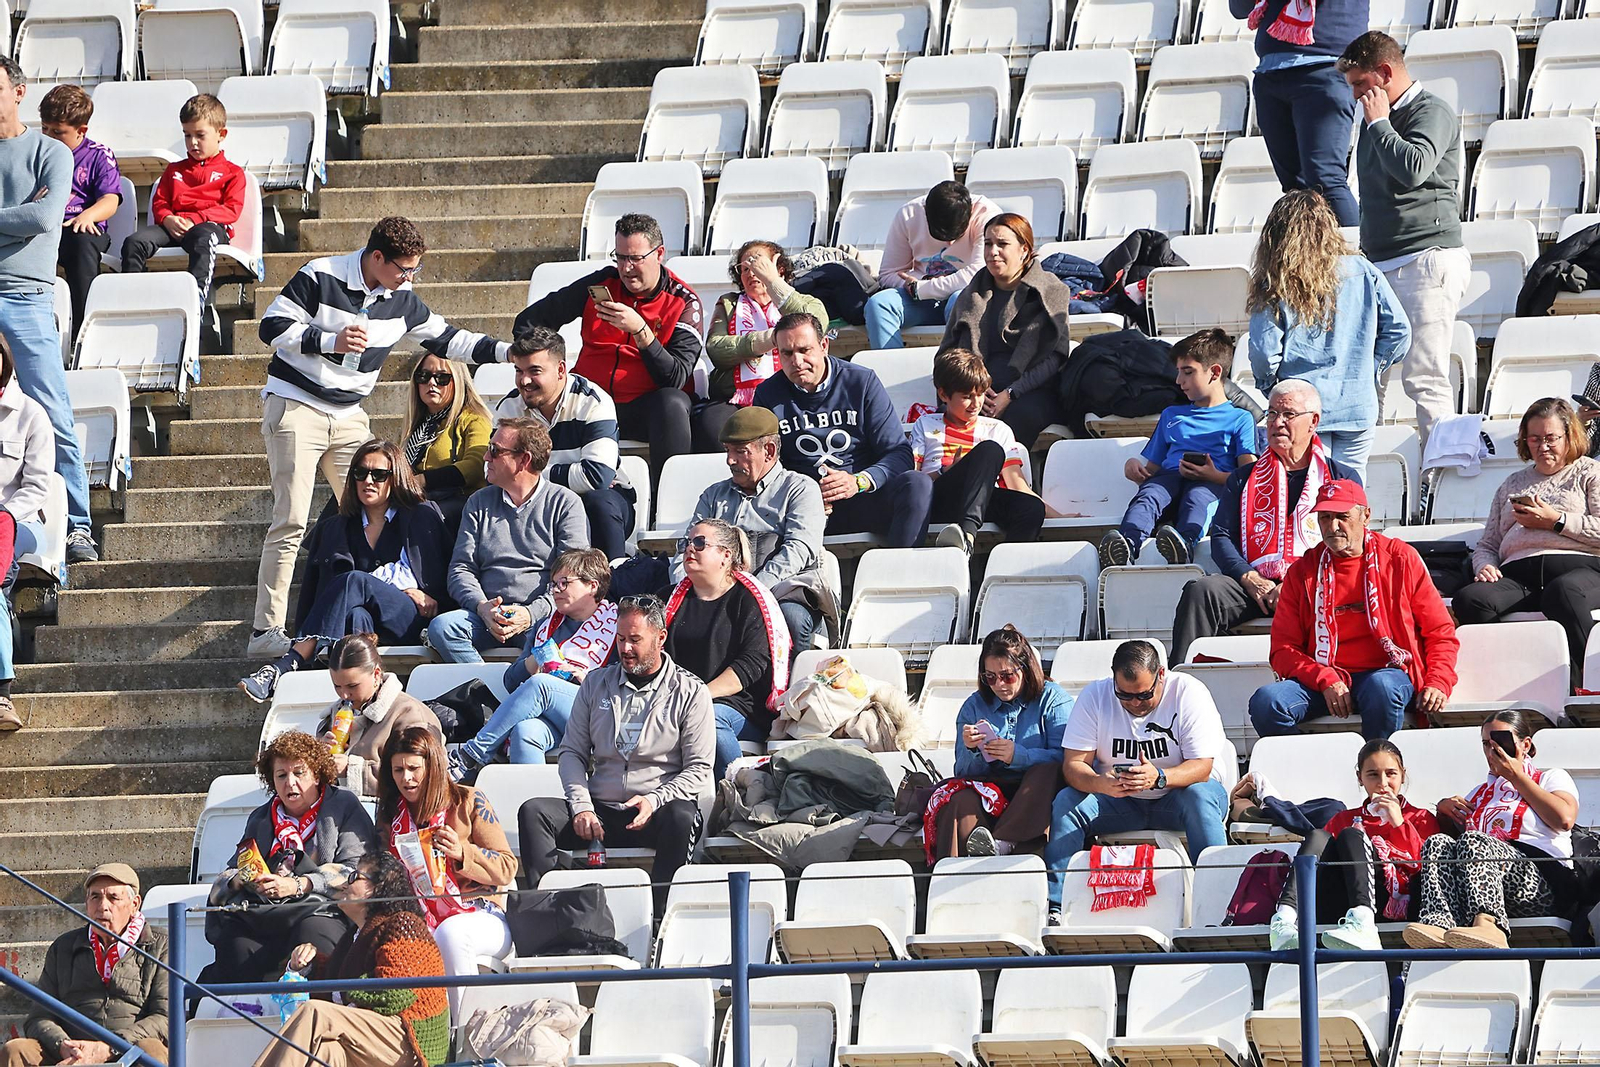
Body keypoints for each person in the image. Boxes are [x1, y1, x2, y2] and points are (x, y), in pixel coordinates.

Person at [251, 216, 509, 657]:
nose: (408, 279)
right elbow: (270, 327)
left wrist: (507, 352)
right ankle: (266, 631)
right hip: (297, 403)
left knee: (390, 504)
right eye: (403, 269)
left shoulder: (402, 299)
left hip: (350, 412)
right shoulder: (321, 273)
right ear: (375, 257)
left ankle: (380, 602)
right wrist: (327, 338)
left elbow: (450, 340)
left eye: (414, 271)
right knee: (293, 519)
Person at [517, 594, 714, 907]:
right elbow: (571, 753)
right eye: (620, 638)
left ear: (660, 638)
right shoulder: (596, 683)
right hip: (600, 809)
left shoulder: (690, 691)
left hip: (654, 809)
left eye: (635, 639)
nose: (625, 648)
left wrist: (654, 800)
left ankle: (662, 916)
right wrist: (582, 805)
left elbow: (699, 769)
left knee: (683, 815)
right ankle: (550, 911)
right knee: (534, 811)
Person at [238, 440, 450, 702]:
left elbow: (439, 579)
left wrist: (412, 591)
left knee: (354, 581)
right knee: (356, 612)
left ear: (395, 478)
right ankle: (360, 703)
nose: (368, 481)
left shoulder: (421, 516)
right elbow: (318, 592)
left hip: (410, 618)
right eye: (360, 473)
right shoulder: (336, 528)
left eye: (379, 475)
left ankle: (287, 664)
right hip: (361, 623)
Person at [1340, 31, 1470, 452]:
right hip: (1381, 264)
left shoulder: (1431, 111)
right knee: (1366, 378)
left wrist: (1379, 123)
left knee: (1425, 376)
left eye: (1361, 84)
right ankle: (1362, 488)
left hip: (1425, 258)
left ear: (1384, 72)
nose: (1357, 95)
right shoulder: (1372, 120)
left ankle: (1443, 481)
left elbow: (1413, 168)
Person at [1250, 479, 1458, 740]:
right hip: (1324, 681)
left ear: (1366, 516)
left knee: (1381, 687)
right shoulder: (1302, 571)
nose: (1333, 526)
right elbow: (1282, 650)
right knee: (1267, 702)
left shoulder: (1400, 558)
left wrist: (1438, 681)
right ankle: (1310, 771)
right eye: (1324, 517)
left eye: (1342, 517)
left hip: (1388, 676)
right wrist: (1324, 678)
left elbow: (1439, 632)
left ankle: (1376, 773)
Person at [1171, 379, 1357, 662]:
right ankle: (1181, 684)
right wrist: (1249, 578)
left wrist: (1296, 583)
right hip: (1255, 585)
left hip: (1315, 585)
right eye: (1271, 414)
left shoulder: (1341, 478)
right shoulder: (1244, 477)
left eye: (1288, 415)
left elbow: (1349, 544)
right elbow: (1221, 536)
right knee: (1201, 591)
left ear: (1313, 422)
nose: (1277, 422)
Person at [1044, 640, 1230, 922]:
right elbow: (1073, 765)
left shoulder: (1188, 692)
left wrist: (1160, 778)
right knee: (1067, 802)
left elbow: (1202, 768)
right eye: (1124, 695)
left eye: (1144, 695)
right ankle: (1056, 908)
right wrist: (1098, 782)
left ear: (1161, 676)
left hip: (1178, 796)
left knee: (1199, 796)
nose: (1135, 703)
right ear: (1113, 679)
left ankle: (1219, 903)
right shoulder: (1095, 695)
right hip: (1118, 800)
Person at [513, 213, 703, 487]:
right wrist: (546, 360)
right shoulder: (602, 283)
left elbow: (674, 377)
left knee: (672, 403)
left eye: (635, 258)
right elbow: (528, 321)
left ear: (659, 254)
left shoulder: (684, 302)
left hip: (643, 409)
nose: (626, 268)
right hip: (588, 402)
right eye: (620, 257)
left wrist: (641, 331)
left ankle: (668, 497)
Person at [0, 57, 96, 564]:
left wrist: (28, 215)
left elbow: (44, 215)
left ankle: (78, 523)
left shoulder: (50, 152)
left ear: (19, 91)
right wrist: (16, 218)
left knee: (52, 412)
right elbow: (28, 216)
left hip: (26, 296)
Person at [1248, 190, 1411, 480]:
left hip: (1300, 410)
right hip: (1356, 403)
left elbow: (1264, 354)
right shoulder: (1362, 269)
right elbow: (1399, 331)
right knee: (1349, 496)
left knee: (1305, 498)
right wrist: (1368, 369)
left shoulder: (1275, 281)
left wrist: (1276, 391)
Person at [202, 731, 378, 985]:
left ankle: (313, 1013)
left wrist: (298, 884)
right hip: (267, 912)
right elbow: (230, 873)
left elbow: (354, 870)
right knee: (235, 943)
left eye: (299, 773)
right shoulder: (261, 817)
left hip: (323, 909)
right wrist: (245, 878)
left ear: (317, 775)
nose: (290, 783)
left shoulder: (343, 805)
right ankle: (249, 1015)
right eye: (281, 776)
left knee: (312, 934)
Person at [1406, 711, 1581, 951]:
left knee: (1476, 841)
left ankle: (1489, 924)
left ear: (1525, 744)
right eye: (1486, 744)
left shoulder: (1549, 778)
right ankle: (1438, 921)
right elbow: (1455, 848)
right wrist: (1444, 813)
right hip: (1482, 885)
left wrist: (1515, 775)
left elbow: (1564, 819)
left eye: (1500, 742)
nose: (1492, 751)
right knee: (1437, 842)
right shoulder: (1479, 793)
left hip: (1543, 883)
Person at [256, 850, 449, 1067]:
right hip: (372, 1037)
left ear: (377, 888)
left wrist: (343, 995)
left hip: (409, 1039)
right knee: (328, 1051)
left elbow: (397, 993)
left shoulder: (404, 923)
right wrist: (307, 966)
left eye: (354, 876)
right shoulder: (353, 937)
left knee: (314, 1012)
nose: (344, 883)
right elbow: (333, 984)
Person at [754, 312, 931, 548]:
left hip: (863, 497)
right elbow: (762, 468)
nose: (796, 361)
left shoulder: (861, 382)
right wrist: (804, 496)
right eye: (787, 353)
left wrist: (858, 481)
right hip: (802, 510)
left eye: (804, 350)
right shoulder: (767, 394)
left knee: (917, 484)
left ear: (824, 345)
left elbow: (899, 454)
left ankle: (902, 576)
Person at [1452, 398, 1600, 678]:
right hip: (1519, 577)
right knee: (1471, 599)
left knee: (1563, 593)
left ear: (1569, 436)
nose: (1542, 447)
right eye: (1534, 439)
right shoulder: (1511, 483)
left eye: (1551, 438)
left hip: (1582, 569)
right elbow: (1488, 543)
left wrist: (1556, 521)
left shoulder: (1590, 472)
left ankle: (1592, 680)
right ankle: (1507, 679)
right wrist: (1484, 564)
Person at [377, 725, 515, 1017]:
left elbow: (507, 867)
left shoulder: (469, 800)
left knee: (450, 933)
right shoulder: (390, 815)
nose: (406, 778)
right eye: (398, 770)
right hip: (419, 913)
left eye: (414, 768)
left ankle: (461, 1033)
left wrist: (463, 853)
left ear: (434, 766)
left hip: (480, 912)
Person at [426, 417, 588, 662]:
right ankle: (483, 692)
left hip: (540, 618)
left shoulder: (565, 504)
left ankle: (512, 693)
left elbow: (572, 579)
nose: (485, 457)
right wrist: (482, 606)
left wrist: (530, 614)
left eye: (494, 451)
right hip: (486, 616)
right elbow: (461, 568)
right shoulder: (478, 503)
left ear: (524, 460)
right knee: (443, 628)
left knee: (548, 645)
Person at [670, 405, 830, 651]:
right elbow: (688, 546)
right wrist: (685, 587)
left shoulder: (800, 489)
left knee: (793, 619)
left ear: (769, 450)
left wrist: (753, 591)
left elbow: (799, 549)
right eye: (727, 450)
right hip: (715, 591)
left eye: (740, 451)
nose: (729, 460)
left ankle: (796, 688)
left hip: (780, 591)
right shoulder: (714, 495)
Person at [449, 548, 618, 781]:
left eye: (564, 583)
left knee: (542, 685)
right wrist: (534, 660)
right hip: (561, 718)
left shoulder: (618, 624)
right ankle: (532, 806)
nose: (556, 590)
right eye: (553, 584)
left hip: (603, 713)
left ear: (592, 585)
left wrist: (588, 676)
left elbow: (632, 678)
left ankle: (472, 755)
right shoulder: (545, 627)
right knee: (525, 731)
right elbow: (510, 682)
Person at [1100, 329, 1259, 568]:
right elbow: (1151, 468)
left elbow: (1249, 477)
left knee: (1198, 499)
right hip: (1168, 478)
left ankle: (1183, 545)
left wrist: (1213, 475)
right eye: (1178, 372)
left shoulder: (1240, 418)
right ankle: (1126, 545)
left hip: (1212, 484)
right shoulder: (1171, 414)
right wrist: (1134, 468)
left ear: (1214, 372)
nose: (1178, 381)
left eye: (1188, 372)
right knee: (1149, 495)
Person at [1266, 739, 1441, 953]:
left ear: (1403, 774)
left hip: (1392, 903)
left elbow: (1428, 869)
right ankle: (1284, 919)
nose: (1383, 783)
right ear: (1360, 778)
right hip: (1339, 902)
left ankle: (1363, 920)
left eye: (1391, 773)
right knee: (1317, 836)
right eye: (1373, 774)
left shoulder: (1421, 817)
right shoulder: (1343, 818)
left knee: (1351, 834)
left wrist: (1399, 824)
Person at [930, 626, 1072, 860]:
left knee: (1045, 771)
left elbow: (1068, 760)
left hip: (1039, 790)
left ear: (1025, 668)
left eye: (1007, 676)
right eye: (990, 677)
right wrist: (971, 749)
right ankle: (953, 879)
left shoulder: (1053, 699)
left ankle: (1003, 842)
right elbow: (962, 772)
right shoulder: (973, 706)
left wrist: (1018, 755)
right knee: (959, 800)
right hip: (991, 787)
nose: (999, 685)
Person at [3, 864, 167, 1067]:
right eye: (95, 897)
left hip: (129, 1048)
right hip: (71, 1051)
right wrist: (63, 1045)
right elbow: (39, 1017)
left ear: (135, 904)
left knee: (152, 1051)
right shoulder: (63, 947)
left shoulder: (160, 945)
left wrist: (111, 1046)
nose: (103, 906)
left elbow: (165, 1017)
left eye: (113, 898)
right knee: (16, 1050)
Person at [493, 328, 634, 561]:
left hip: (601, 501)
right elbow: (493, 470)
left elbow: (597, 476)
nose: (524, 380)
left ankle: (612, 585)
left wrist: (525, 475)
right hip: (532, 501)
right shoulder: (509, 407)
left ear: (561, 370)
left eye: (534, 371)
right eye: (519, 371)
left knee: (599, 502)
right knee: (486, 502)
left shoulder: (593, 401)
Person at [664, 518, 789, 780]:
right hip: (677, 702)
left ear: (725, 555)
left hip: (738, 708)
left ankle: (738, 791)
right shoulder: (669, 599)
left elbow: (750, 665)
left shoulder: (749, 600)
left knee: (709, 717)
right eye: (686, 543)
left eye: (700, 543)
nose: (690, 549)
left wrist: (698, 697)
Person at [937, 212, 1071, 447]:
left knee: (1017, 419)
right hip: (974, 387)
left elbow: (1054, 358)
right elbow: (948, 352)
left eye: (1002, 244)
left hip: (1031, 391)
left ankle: (1007, 480)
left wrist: (1010, 393)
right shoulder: (970, 294)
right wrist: (976, 391)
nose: (992, 252)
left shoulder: (1051, 291)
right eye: (988, 244)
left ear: (1024, 250)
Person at [1231, 0, 1367, 227]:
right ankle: (1312, 258)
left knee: (1326, 180)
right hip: (1270, 73)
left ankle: (1357, 258)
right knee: (1296, 191)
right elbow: (1239, 8)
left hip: (1324, 68)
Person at [910, 347, 1053, 555]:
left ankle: (1004, 573)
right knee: (989, 450)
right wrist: (946, 471)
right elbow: (913, 480)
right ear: (943, 394)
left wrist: (1059, 515)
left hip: (983, 499)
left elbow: (1017, 484)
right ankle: (967, 536)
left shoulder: (997, 429)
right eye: (967, 396)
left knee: (1031, 509)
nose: (976, 404)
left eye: (981, 394)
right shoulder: (924, 424)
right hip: (938, 498)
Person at [697, 239, 830, 449]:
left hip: (791, 394)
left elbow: (816, 325)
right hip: (734, 399)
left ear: (780, 269)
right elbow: (717, 349)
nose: (751, 273)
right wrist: (770, 339)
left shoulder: (806, 300)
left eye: (758, 265)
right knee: (711, 424)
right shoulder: (729, 303)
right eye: (745, 268)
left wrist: (772, 282)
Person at [117, 93, 244, 297]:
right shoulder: (174, 170)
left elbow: (231, 209)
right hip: (173, 227)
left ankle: (195, 299)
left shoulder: (233, 173)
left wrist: (196, 219)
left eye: (200, 135)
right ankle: (133, 299)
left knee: (204, 238)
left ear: (221, 134)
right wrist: (167, 219)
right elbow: (160, 202)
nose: (192, 142)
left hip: (209, 228)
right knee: (134, 242)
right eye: (187, 135)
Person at [0, 335, 57, 731]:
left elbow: (38, 487)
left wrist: (3, 513)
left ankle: (1, 693)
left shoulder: (30, 414)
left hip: (18, 522)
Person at [866, 180, 998, 349]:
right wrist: (911, 286)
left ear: (970, 213)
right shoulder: (909, 214)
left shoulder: (988, 215)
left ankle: (959, 372)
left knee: (962, 300)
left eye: (956, 235)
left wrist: (921, 288)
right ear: (925, 213)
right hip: (921, 300)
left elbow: (980, 273)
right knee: (879, 304)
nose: (950, 243)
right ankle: (889, 372)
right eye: (940, 235)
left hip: (960, 295)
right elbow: (888, 273)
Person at [37, 84, 120, 343]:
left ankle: (82, 332)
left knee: (82, 243)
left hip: (79, 228)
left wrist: (87, 215)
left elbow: (110, 199)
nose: (49, 136)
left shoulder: (98, 156)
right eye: (45, 129)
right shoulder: (34, 152)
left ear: (81, 131)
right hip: (41, 227)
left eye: (58, 132)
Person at [318, 634, 443, 799]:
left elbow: (422, 777)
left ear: (376, 675)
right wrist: (319, 754)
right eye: (337, 686)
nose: (345, 694)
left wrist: (351, 769)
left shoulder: (410, 713)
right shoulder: (334, 715)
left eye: (352, 686)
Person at [405, 353, 491, 530]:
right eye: (423, 376)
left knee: (419, 513)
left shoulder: (474, 419)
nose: (431, 383)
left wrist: (422, 480)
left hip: (459, 502)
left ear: (458, 381)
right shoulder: (418, 424)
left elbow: (477, 465)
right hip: (418, 496)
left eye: (442, 378)